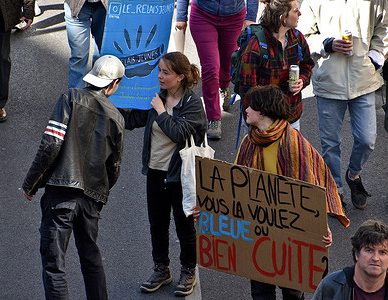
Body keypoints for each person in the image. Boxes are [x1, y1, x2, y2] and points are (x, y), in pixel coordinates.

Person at [22, 55, 125, 300]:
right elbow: (114, 167)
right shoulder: (117, 117)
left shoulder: (70, 98)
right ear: (114, 83)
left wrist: (31, 183)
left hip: (60, 195)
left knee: (54, 264)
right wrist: (99, 197)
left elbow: (51, 145)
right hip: (91, 199)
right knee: (91, 258)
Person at [234, 85, 348, 299]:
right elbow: (233, 187)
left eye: (250, 106)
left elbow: (310, 193)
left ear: (264, 110)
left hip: (290, 233)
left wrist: (321, 229)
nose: (245, 109)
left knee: (293, 290)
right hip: (259, 229)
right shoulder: (249, 142)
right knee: (260, 290)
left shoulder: (294, 145)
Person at [120, 52, 207, 296]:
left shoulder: (192, 104)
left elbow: (179, 133)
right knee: (157, 225)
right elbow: (134, 119)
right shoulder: (157, 97)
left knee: (184, 226)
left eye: (165, 72)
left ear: (180, 77)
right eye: (159, 70)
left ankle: (188, 270)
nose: (159, 76)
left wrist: (161, 111)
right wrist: (111, 102)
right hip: (155, 173)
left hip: (180, 176)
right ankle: (161, 269)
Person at [297, 0, 388, 209]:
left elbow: (384, 27)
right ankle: (334, 190)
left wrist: (375, 58)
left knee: (367, 139)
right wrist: (328, 44)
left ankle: (353, 175)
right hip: (329, 82)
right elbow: (303, 36)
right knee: (330, 144)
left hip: (364, 80)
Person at [176, 0, 259, 139]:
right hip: (203, 15)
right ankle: (213, 118)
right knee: (210, 68)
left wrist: (251, 16)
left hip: (234, 17)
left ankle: (224, 87)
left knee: (228, 64)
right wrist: (180, 16)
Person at [237, 0, 314, 132]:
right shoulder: (256, 47)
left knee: (291, 153)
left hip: (291, 116)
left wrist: (302, 80)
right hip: (263, 122)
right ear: (282, 18)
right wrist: (257, 124)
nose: (300, 13)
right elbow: (247, 91)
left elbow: (307, 66)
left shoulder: (297, 38)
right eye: (295, 11)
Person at [313, 219, 388, 299]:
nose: (375, 258)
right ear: (356, 254)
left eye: (382, 252)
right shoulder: (330, 286)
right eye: (369, 250)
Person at [65, 0, 108, 89]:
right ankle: (77, 99)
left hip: (105, 6)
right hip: (75, 5)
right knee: (78, 56)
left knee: (102, 54)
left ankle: (98, 96)